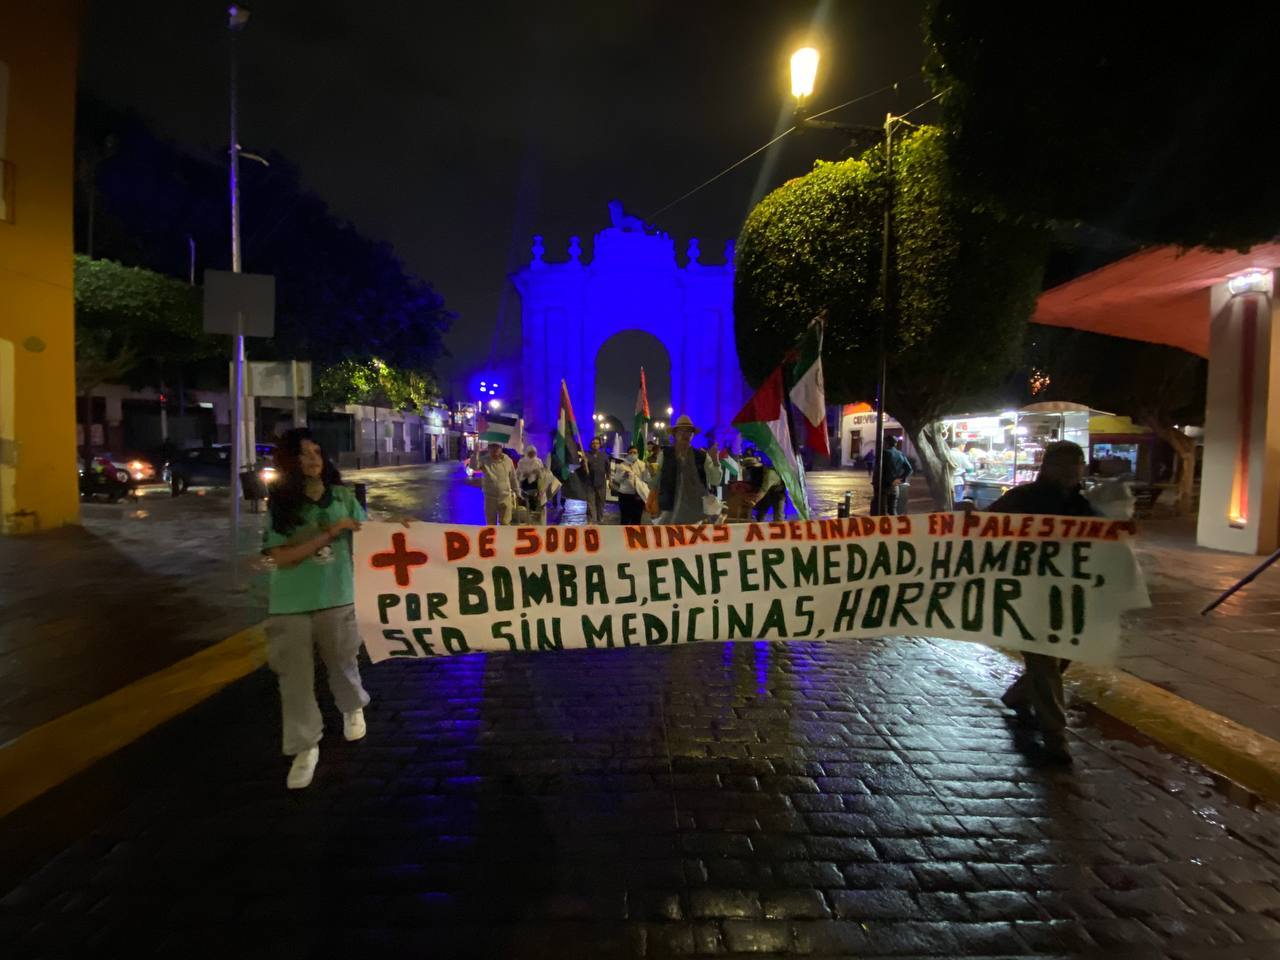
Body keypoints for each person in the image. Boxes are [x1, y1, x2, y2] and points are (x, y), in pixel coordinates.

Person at [261, 428, 371, 790]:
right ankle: (304, 746)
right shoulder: (281, 503)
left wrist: (405, 532)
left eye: (317, 453)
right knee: (295, 678)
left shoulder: (342, 496)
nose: (312, 460)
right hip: (290, 604)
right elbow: (282, 557)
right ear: (289, 461)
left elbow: (368, 535)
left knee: (343, 659)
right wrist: (328, 534)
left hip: (337, 595)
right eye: (304, 453)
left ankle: (352, 707)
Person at [990, 441, 1095, 765]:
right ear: (1047, 467)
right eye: (1063, 464)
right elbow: (983, 527)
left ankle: (1018, 695)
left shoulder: (1086, 505)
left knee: (1062, 657)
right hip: (1028, 595)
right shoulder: (1022, 499)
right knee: (1045, 662)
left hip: (1067, 597)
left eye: (1076, 463)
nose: (1071, 470)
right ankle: (1055, 736)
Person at [657, 414, 722, 524]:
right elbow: (654, 482)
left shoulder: (702, 456)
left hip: (695, 513)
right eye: (681, 431)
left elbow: (715, 480)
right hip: (669, 511)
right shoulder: (665, 455)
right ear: (675, 434)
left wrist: (715, 460)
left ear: (692, 435)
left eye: (688, 432)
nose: (685, 435)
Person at [470, 440, 518, 525]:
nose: (494, 450)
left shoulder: (508, 461)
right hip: (490, 498)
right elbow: (474, 466)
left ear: (501, 448)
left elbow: (513, 477)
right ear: (488, 449)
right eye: (492, 447)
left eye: (496, 447)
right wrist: (475, 454)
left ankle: (503, 538)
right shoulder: (484, 460)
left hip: (505, 497)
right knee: (491, 524)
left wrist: (517, 491)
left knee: (505, 523)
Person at [612, 445, 648, 524]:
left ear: (637, 454)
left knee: (637, 519)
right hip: (625, 495)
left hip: (638, 496)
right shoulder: (622, 466)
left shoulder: (642, 465)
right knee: (625, 519)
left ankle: (635, 535)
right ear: (627, 454)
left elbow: (646, 479)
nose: (632, 454)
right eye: (630, 453)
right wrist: (623, 476)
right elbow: (617, 479)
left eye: (634, 452)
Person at [878, 436, 913, 515]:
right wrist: (900, 479)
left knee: (882, 510)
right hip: (895, 485)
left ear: (886, 443)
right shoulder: (900, 454)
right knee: (893, 509)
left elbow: (880, 468)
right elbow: (909, 469)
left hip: (884, 485)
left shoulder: (885, 453)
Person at [582, 436, 610, 524]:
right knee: (590, 503)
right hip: (589, 483)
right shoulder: (586, 455)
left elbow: (608, 469)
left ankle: (600, 519)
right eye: (593, 443)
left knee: (601, 502)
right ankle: (591, 521)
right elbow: (582, 470)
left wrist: (610, 480)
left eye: (597, 443)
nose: (595, 445)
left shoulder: (604, 455)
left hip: (601, 483)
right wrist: (584, 463)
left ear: (600, 445)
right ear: (591, 445)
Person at [517, 444, 547, 524]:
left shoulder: (538, 462)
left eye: (533, 453)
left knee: (536, 506)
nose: (532, 455)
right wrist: (524, 474)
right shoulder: (522, 462)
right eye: (530, 453)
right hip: (525, 486)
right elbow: (518, 474)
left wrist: (537, 473)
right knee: (526, 506)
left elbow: (543, 474)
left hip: (536, 486)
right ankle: (528, 521)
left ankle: (536, 522)